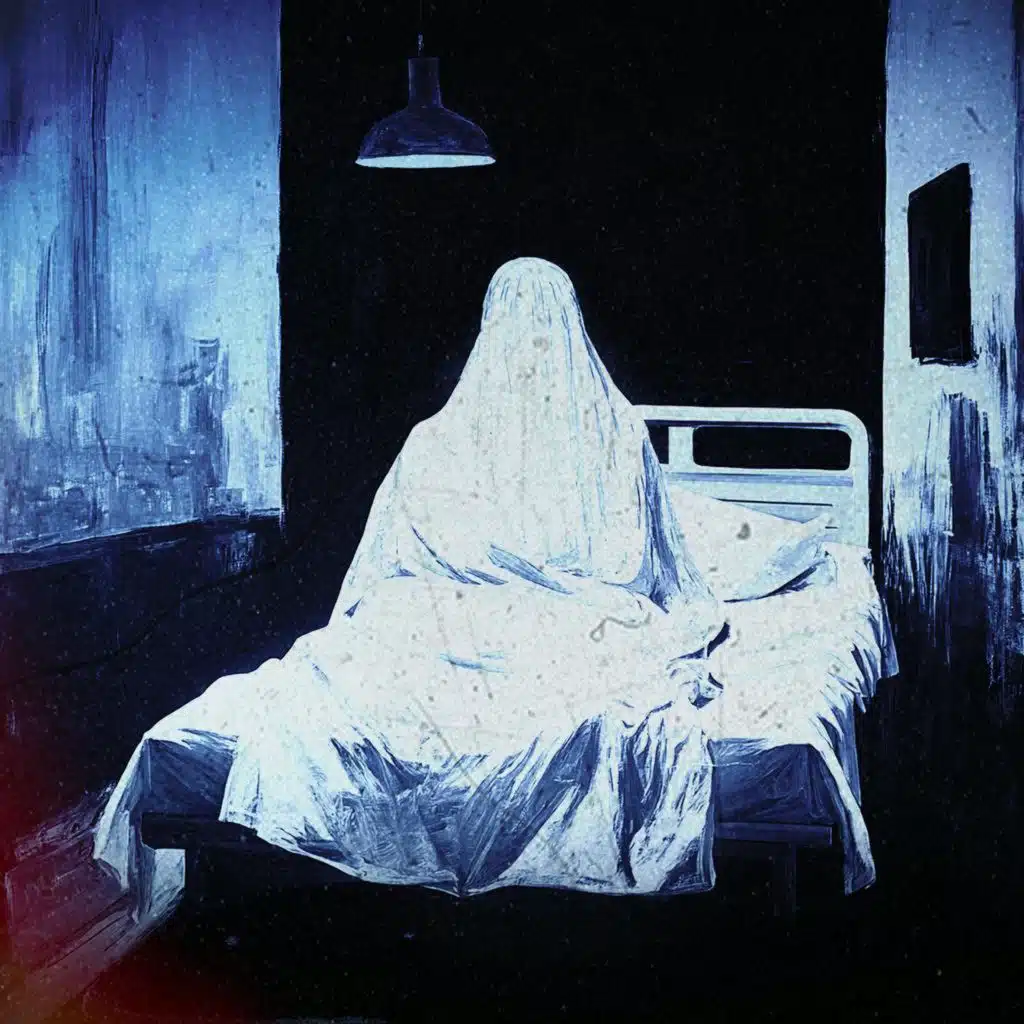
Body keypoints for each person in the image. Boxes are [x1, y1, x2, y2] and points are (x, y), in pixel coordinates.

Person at [95, 256, 727, 909]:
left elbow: (388, 565)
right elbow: (645, 569)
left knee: (374, 642)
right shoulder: (614, 437)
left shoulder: (445, 438)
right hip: (557, 620)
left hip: (448, 617)